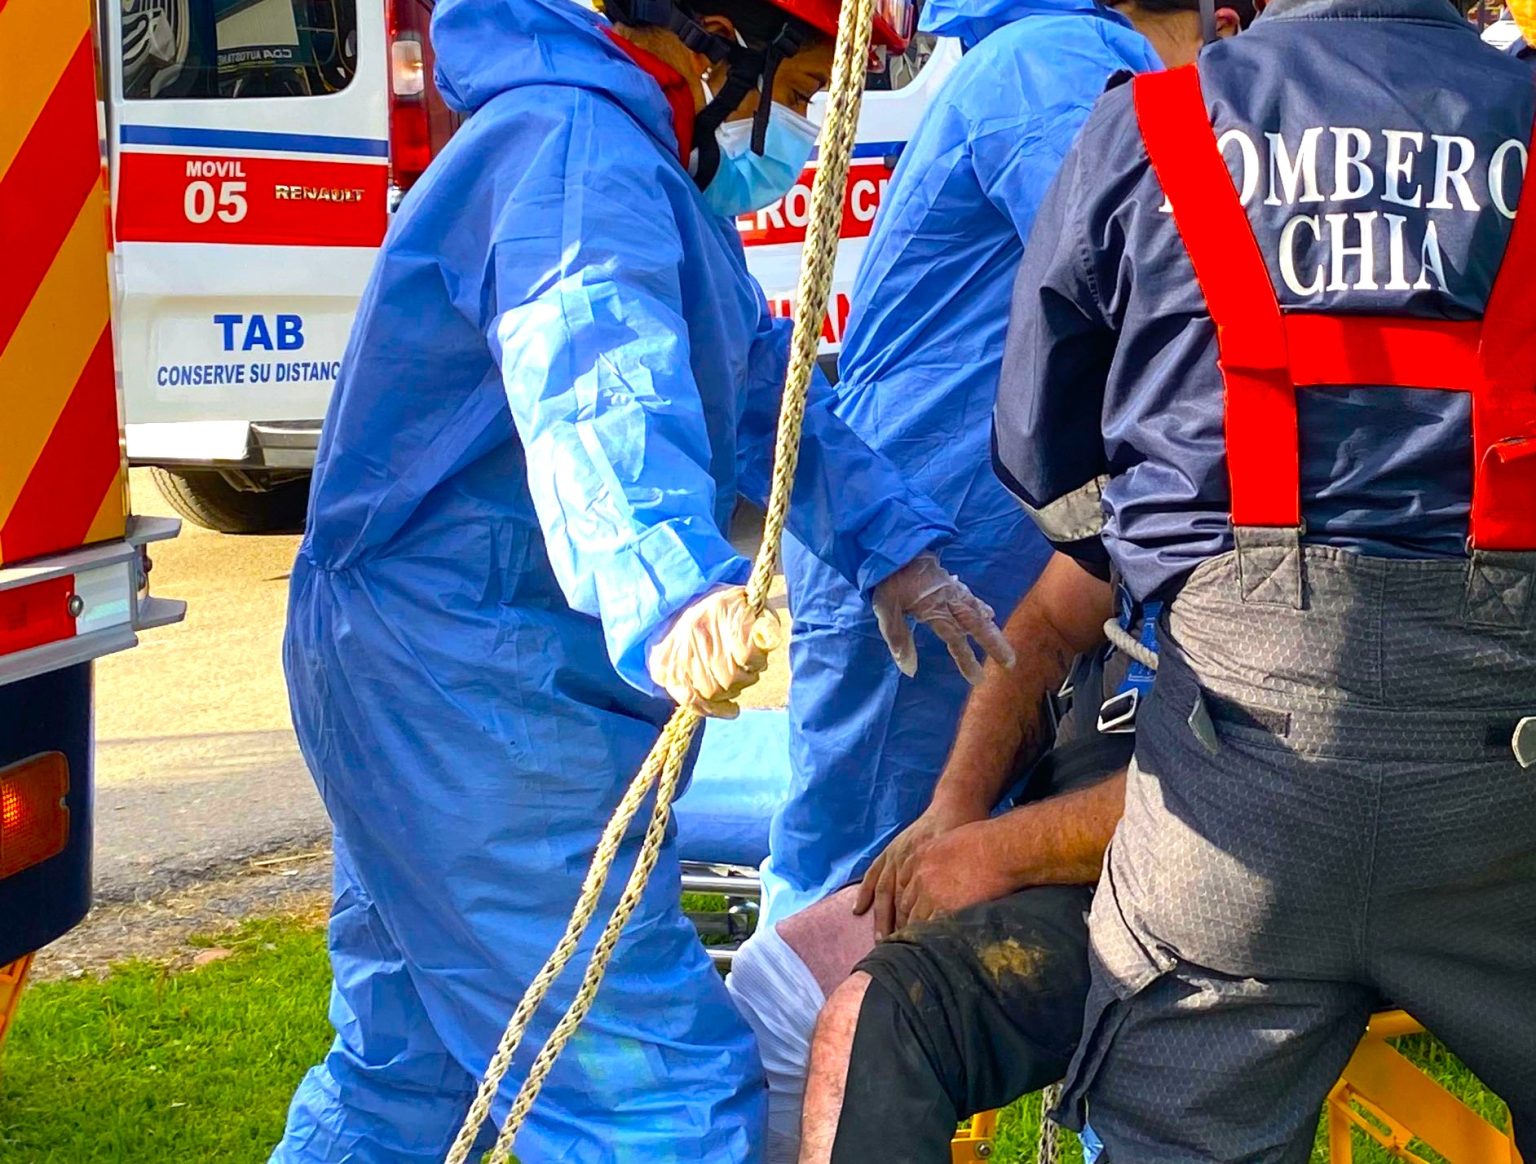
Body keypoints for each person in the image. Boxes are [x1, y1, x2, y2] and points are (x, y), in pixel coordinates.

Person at [270, 0, 1016, 1157]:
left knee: (410, 1081)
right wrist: (670, 589)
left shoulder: (621, 157)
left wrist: (890, 545)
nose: (815, 122)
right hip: (476, 695)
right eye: (814, 84)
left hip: (431, 670)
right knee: (653, 1100)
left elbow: (759, 381)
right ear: (726, 34)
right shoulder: (577, 153)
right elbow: (590, 366)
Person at [993, 0, 1536, 1156]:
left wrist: (1163, 572)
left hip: (1232, 769)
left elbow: (1042, 462)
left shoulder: (1153, 125)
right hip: (1512, 776)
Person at [763, 0, 1206, 931]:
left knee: (942, 895)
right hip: (932, 540)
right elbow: (1165, 282)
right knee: (871, 903)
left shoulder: (1052, 61)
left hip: (955, 530)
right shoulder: (1059, 63)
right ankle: (816, 1066)